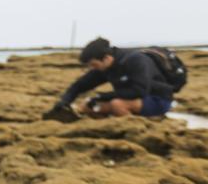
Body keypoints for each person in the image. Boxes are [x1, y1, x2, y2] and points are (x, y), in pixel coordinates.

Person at [45, 37, 176, 121]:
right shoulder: (103, 67)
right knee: (88, 106)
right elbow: (79, 85)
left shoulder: (136, 60)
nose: (93, 68)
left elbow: (139, 91)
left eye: (94, 65)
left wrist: (103, 96)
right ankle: (109, 128)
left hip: (157, 99)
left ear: (106, 58)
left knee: (116, 104)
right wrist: (64, 101)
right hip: (131, 100)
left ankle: (138, 128)